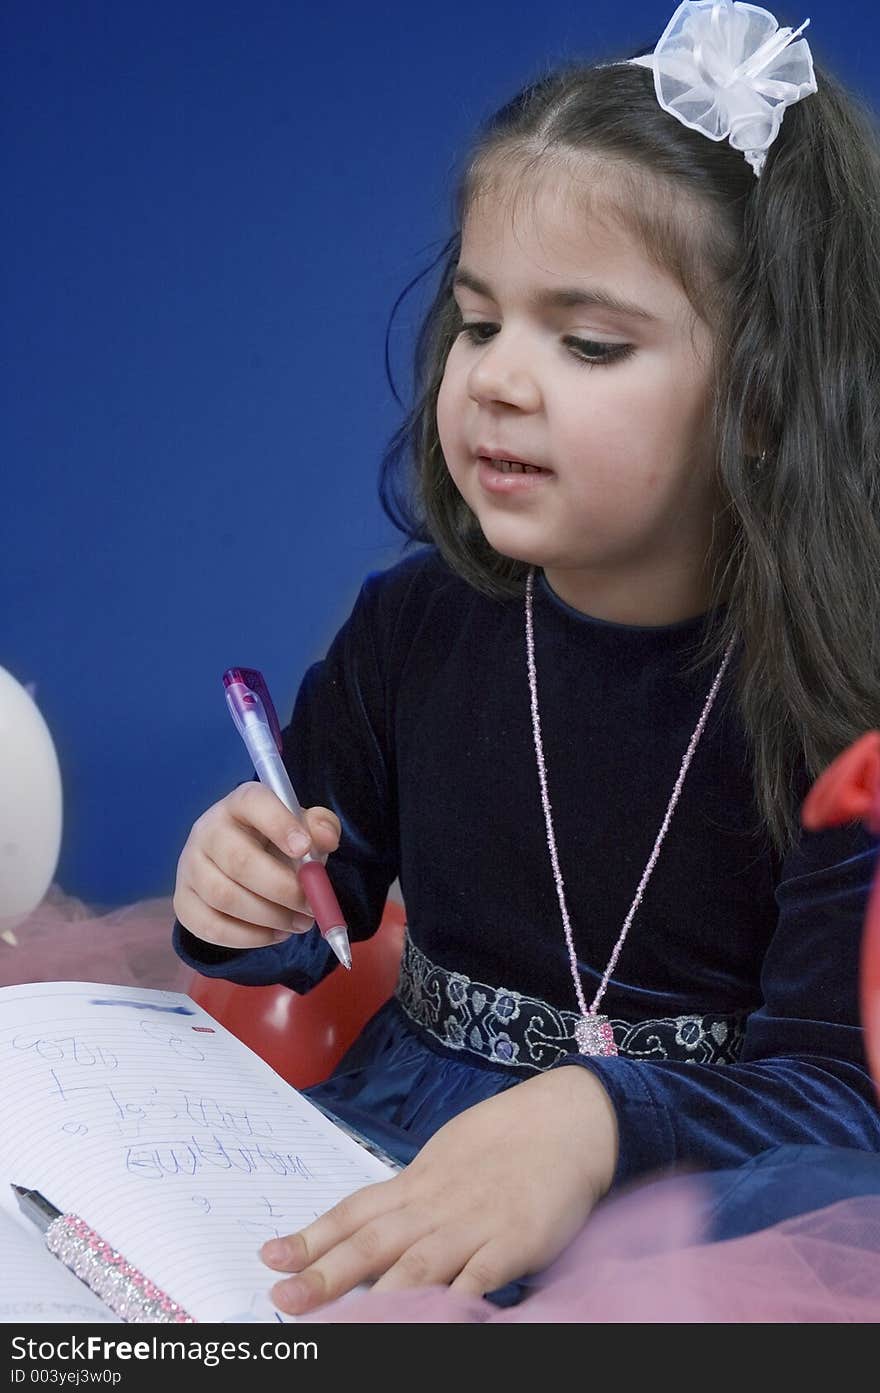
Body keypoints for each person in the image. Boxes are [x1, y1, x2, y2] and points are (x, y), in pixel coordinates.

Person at [171, 0, 880, 1320]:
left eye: (589, 341)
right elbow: (314, 927)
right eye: (480, 320)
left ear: (771, 400)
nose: (494, 379)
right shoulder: (412, 630)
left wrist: (597, 1117)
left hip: (687, 1199)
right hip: (394, 1141)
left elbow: (843, 1098)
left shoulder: (840, 708)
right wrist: (244, 900)